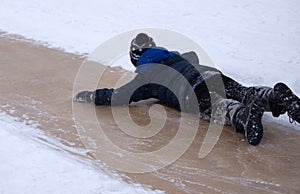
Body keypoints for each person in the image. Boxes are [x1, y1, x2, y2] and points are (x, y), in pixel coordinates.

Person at [73, 33, 300, 146]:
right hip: (210, 73)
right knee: (243, 91)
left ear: (135, 58)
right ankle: (272, 95)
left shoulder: (145, 75)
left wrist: (93, 95)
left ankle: (244, 114)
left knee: (217, 107)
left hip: (191, 90)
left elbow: (120, 96)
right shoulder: (175, 55)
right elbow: (193, 56)